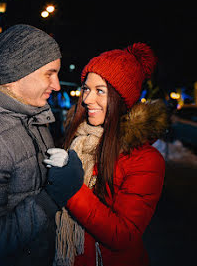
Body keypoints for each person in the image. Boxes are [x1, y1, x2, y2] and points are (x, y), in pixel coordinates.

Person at [0, 24, 84, 266]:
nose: (57, 85)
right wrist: (52, 197)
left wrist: (62, 167)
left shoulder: (31, 115)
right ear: (21, 71)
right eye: (49, 73)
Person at [56, 43, 168, 266]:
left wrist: (72, 188)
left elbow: (122, 234)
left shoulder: (145, 160)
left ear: (121, 98)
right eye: (86, 88)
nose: (87, 99)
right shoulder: (78, 138)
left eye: (100, 91)